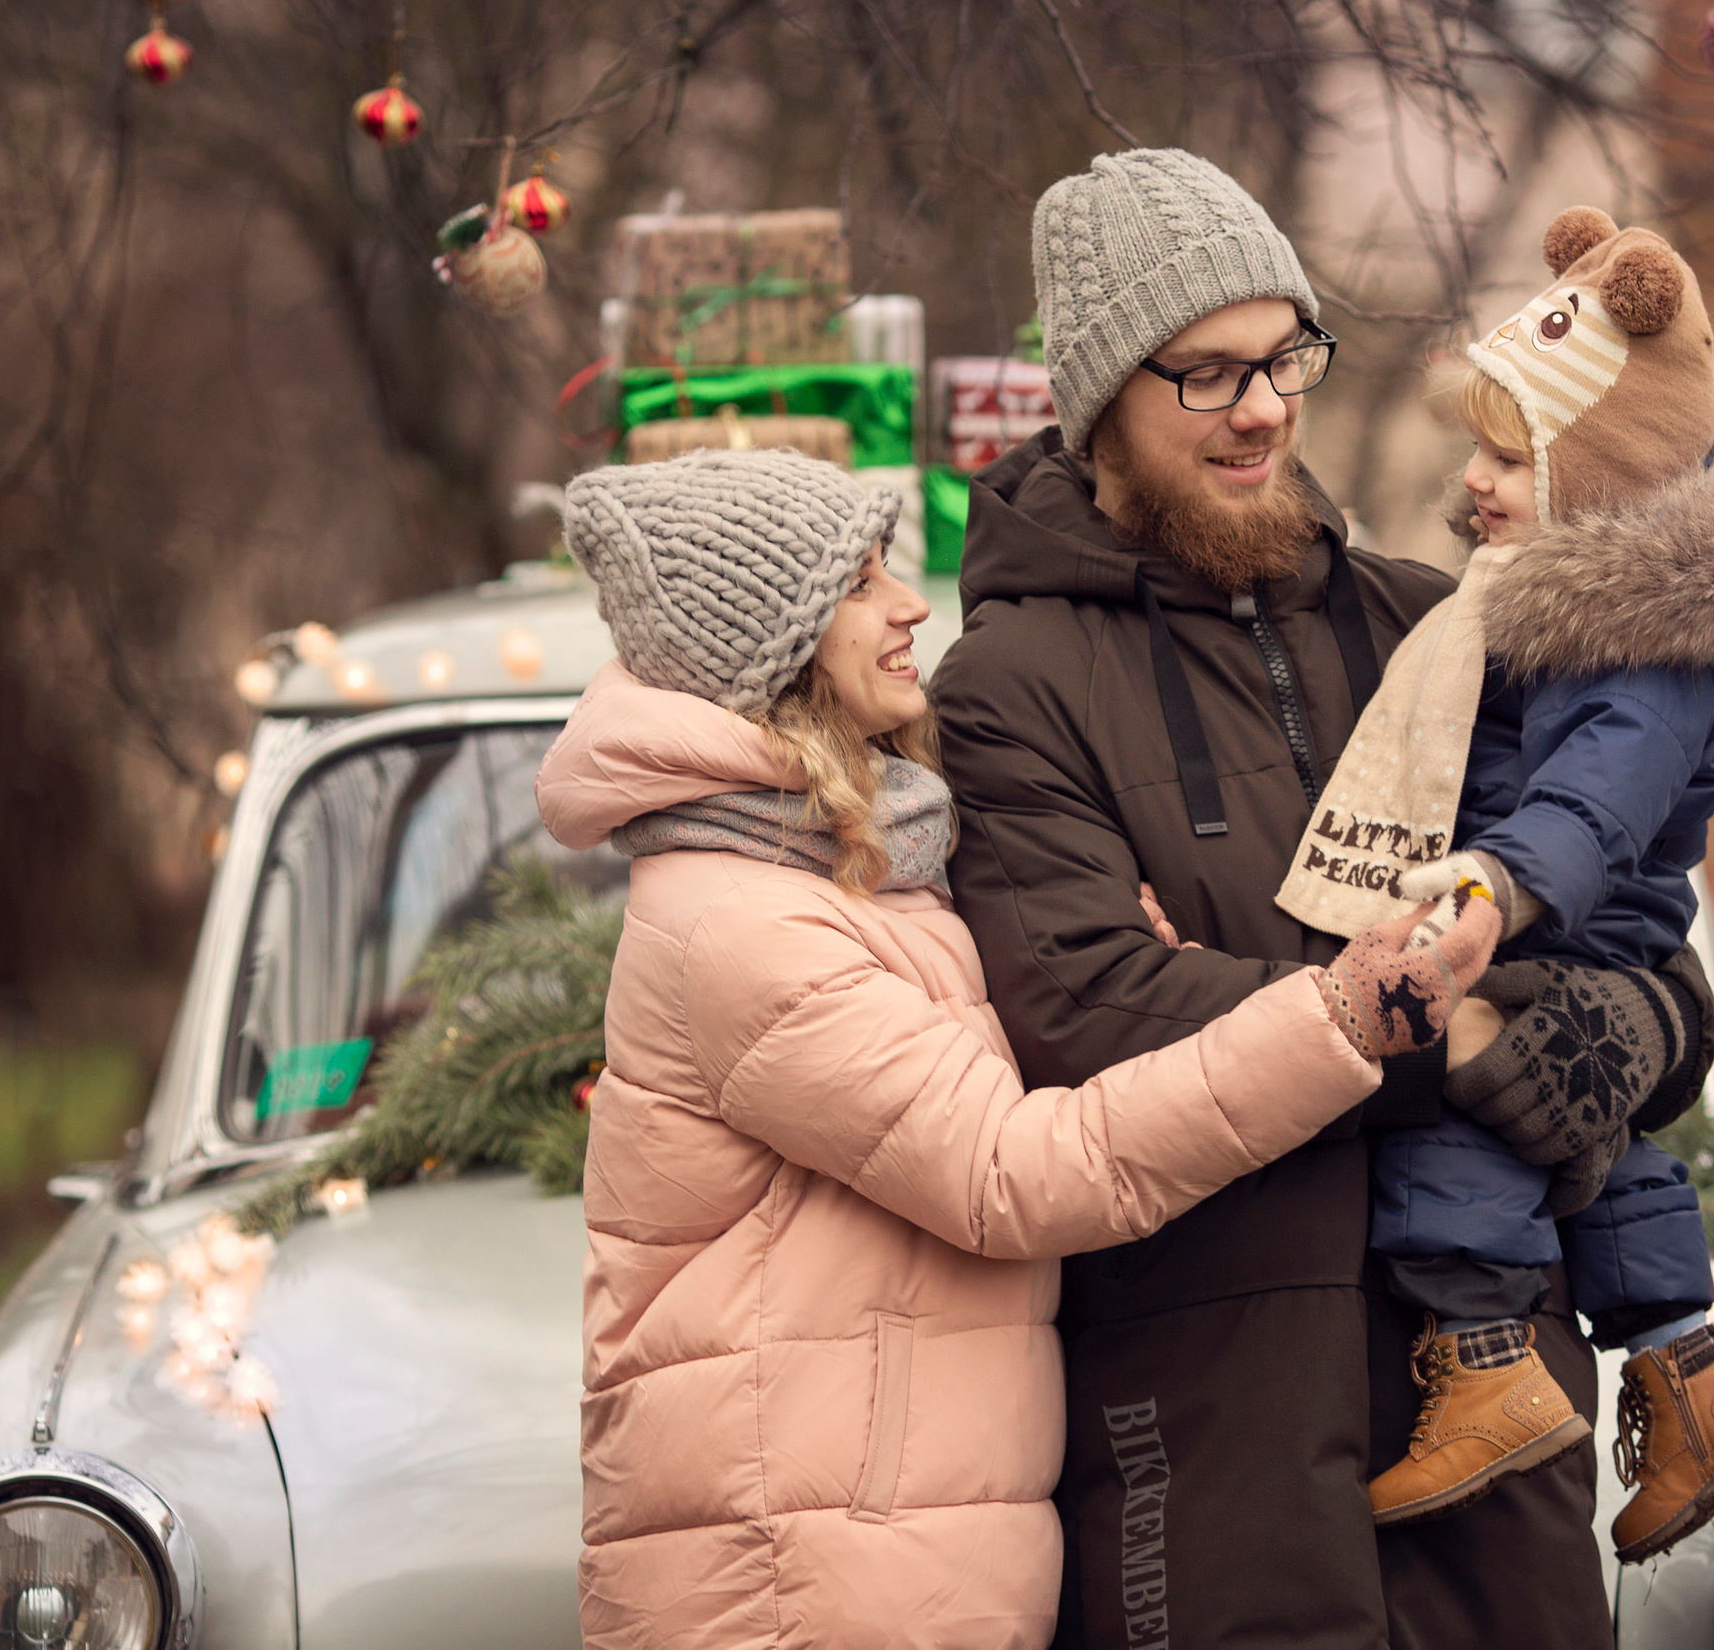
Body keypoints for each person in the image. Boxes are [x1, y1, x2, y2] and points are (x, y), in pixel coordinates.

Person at [534, 448, 1500, 1650]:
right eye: (858, 581)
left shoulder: (853, 870)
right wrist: (1332, 1019)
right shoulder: (740, 921)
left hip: (877, 1534)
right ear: (769, 653)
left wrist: (1141, 962)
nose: (907, 607)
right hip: (797, 1566)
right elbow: (1008, 1172)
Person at [930, 148, 1632, 1650]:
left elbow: (1633, 934)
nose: (1262, 407)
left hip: (1495, 1399)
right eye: (1205, 374)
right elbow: (1090, 1012)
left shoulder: (1436, 622)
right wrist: (1463, 1036)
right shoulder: (1011, 684)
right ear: (1101, 396)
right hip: (1207, 1418)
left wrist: (1622, 1027)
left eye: (1284, 358)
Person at [1268, 207, 1714, 1558]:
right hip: (1570, 920)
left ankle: (1485, 1358)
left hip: (1566, 916)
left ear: (1595, 476)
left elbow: (1594, 800)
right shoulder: (1566, 607)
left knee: (1467, 1102)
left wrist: (1496, 885)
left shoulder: (1650, 644)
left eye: (1509, 454)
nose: (1476, 480)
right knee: (1593, 1144)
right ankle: (1689, 1376)